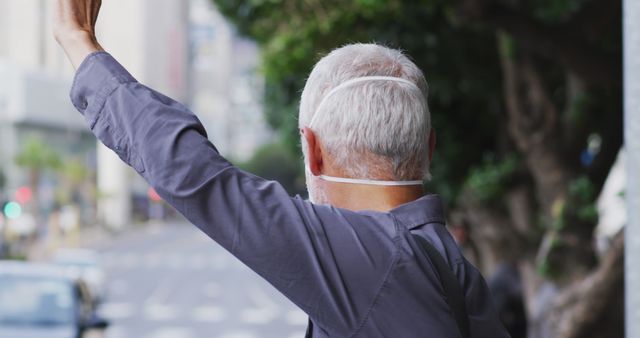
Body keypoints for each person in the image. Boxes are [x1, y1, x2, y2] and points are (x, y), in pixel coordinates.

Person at [52, 1, 510, 337]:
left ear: (311, 151)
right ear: (429, 147)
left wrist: (80, 44)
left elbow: (196, 177)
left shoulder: (374, 258)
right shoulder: (453, 268)